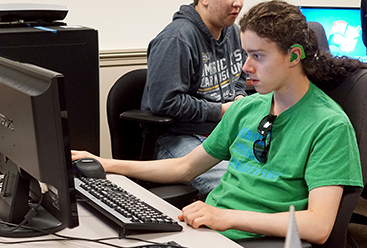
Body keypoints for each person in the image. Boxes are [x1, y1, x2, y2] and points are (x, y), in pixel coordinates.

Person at [72, 0, 365, 244]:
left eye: (257, 56)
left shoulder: (329, 126)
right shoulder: (249, 108)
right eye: (246, 54)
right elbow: (184, 167)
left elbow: (319, 225)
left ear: (294, 56)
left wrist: (227, 217)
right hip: (208, 232)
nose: (245, 67)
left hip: (253, 239)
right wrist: (104, 163)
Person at [141, 0, 248, 199]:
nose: (238, 4)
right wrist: (221, 110)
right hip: (178, 136)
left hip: (222, 132)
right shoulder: (176, 39)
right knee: (237, 191)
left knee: (268, 181)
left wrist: (239, 96)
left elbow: (240, 76)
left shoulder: (234, 32)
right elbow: (165, 102)